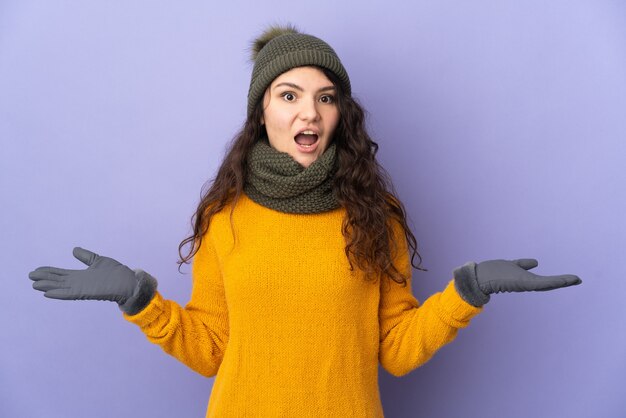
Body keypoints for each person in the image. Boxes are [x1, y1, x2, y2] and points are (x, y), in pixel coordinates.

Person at [29, 24, 582, 417]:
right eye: (288, 94)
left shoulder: (374, 218)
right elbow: (211, 351)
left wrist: (470, 289)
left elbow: (395, 349)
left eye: (325, 97)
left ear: (341, 113)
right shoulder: (225, 217)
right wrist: (137, 298)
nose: (308, 112)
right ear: (262, 110)